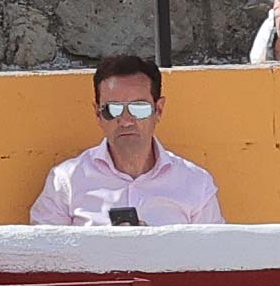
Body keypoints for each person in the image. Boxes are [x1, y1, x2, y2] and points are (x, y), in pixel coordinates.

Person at [31, 52, 224, 225]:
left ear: (158, 110)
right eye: (112, 109)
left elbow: (214, 257)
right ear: (98, 114)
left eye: (138, 108)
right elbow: (44, 255)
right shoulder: (66, 181)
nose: (125, 121)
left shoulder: (196, 184)